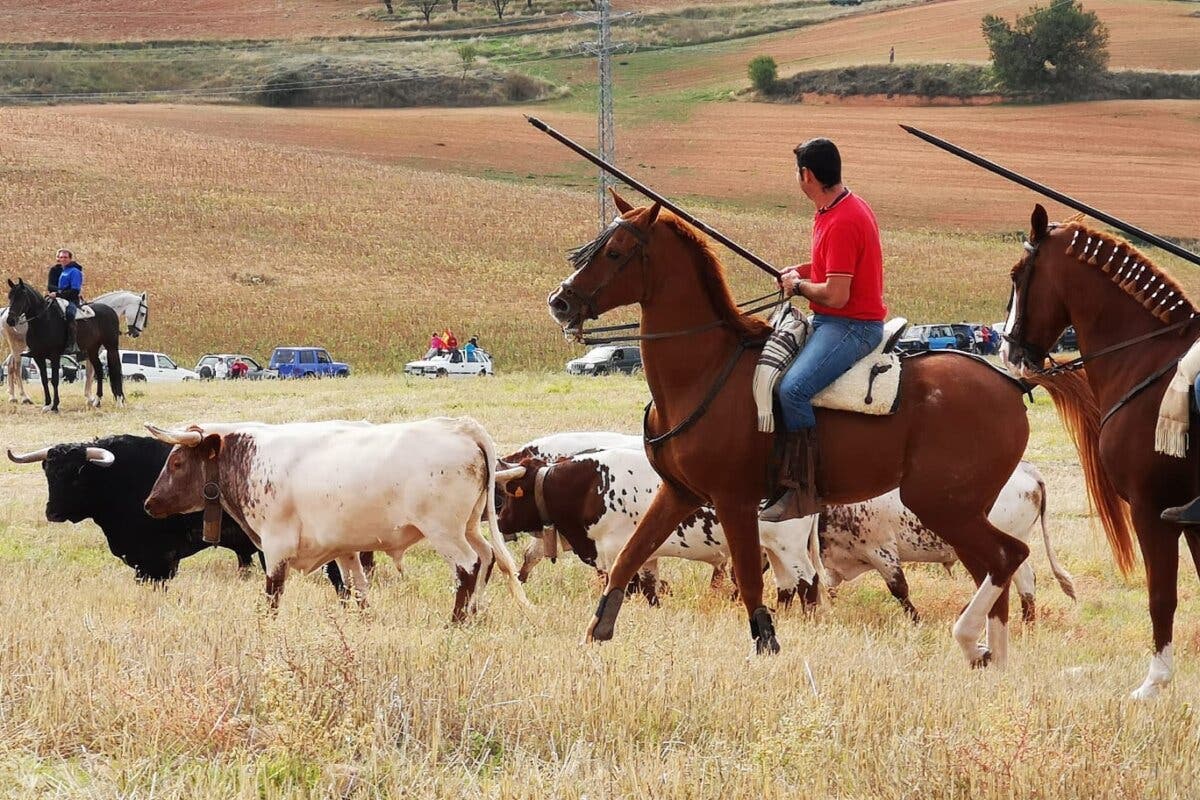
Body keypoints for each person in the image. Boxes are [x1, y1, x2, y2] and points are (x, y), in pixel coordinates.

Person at [761, 138, 887, 524]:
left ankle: (804, 488)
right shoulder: (832, 209)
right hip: (833, 319)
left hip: (853, 325)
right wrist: (798, 273)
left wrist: (798, 287)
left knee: (793, 389)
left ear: (808, 175)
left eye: (797, 172)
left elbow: (835, 293)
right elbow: (829, 267)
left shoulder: (844, 219)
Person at [46, 248, 83, 352]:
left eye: (66, 257)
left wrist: (58, 293)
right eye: (61, 257)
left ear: (70, 258)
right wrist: (58, 293)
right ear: (58, 258)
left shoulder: (74, 271)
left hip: (70, 299)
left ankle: (73, 343)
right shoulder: (61, 270)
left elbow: (75, 290)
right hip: (56, 297)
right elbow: (50, 286)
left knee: (70, 314)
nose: (63, 259)